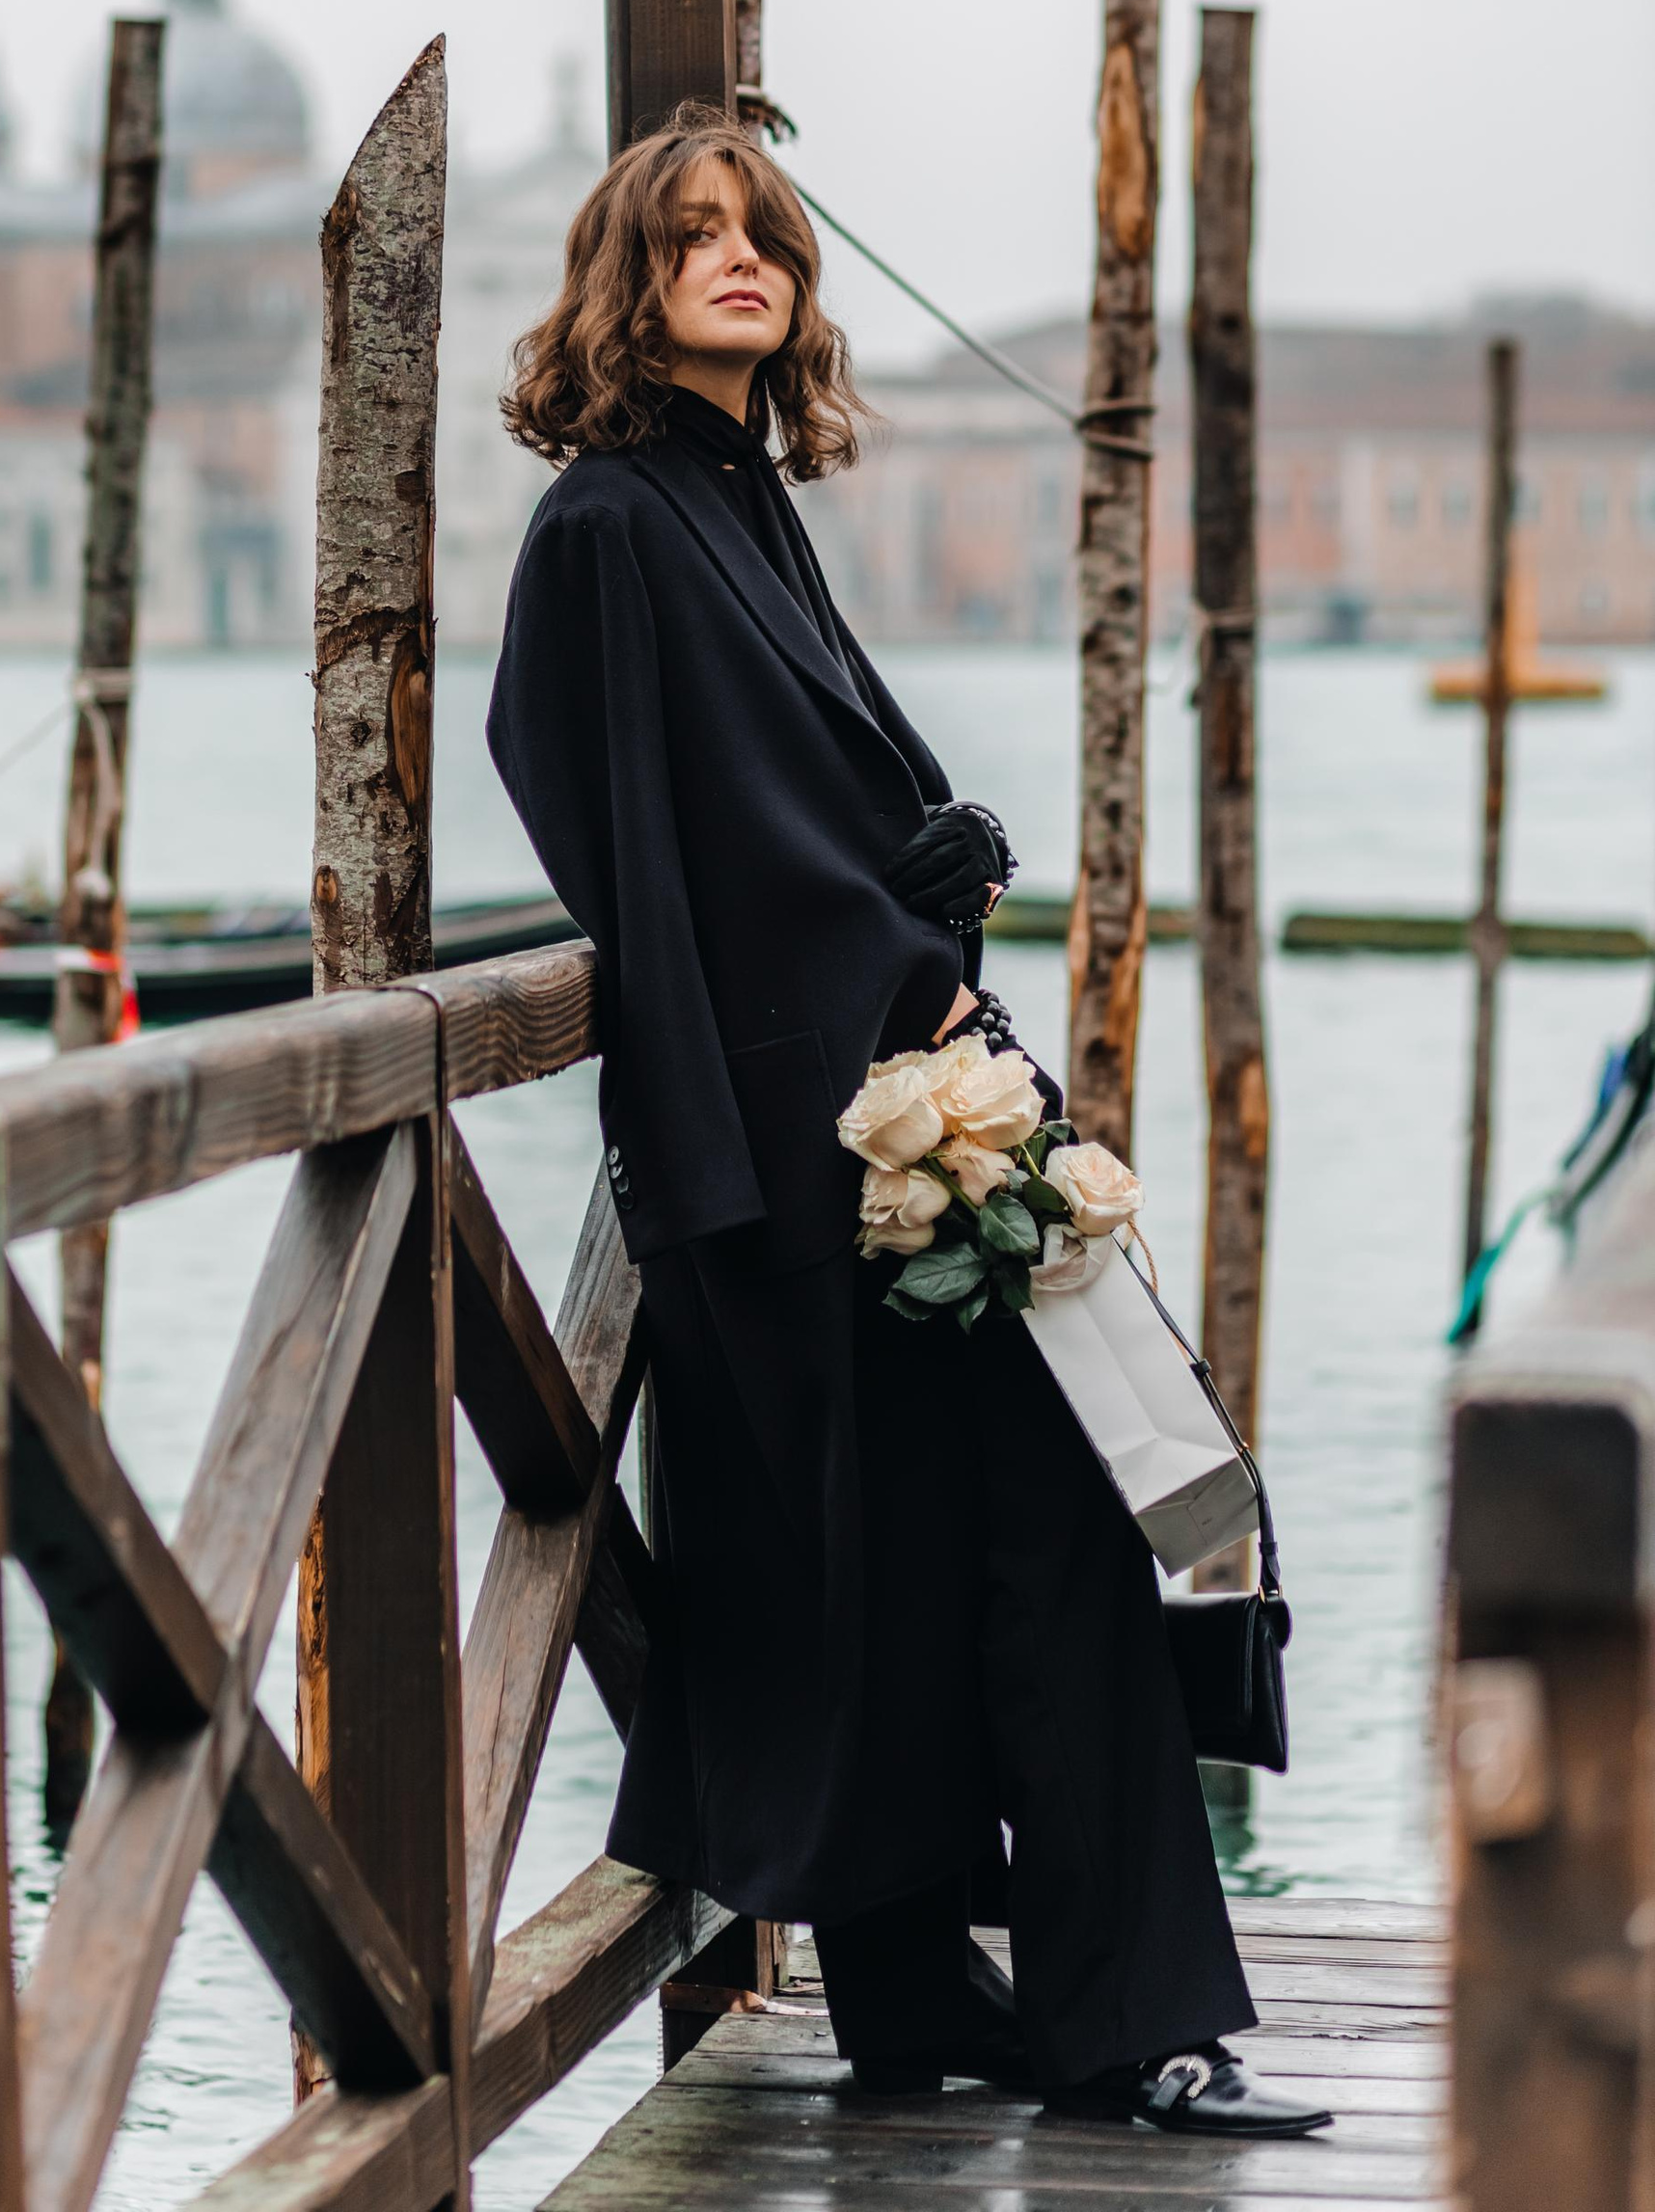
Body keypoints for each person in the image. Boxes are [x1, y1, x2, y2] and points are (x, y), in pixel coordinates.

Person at [485, 106, 1326, 2141]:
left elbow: (777, 787)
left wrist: (918, 854)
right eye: (690, 238)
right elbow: (604, 808)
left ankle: (913, 2008)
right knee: (1009, 1543)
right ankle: (1126, 2027)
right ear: (628, 282)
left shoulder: (730, 496)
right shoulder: (608, 520)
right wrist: (877, 957)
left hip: (850, 1126)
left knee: (943, 1557)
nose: (737, 260)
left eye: (759, 231)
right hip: (802, 1148)